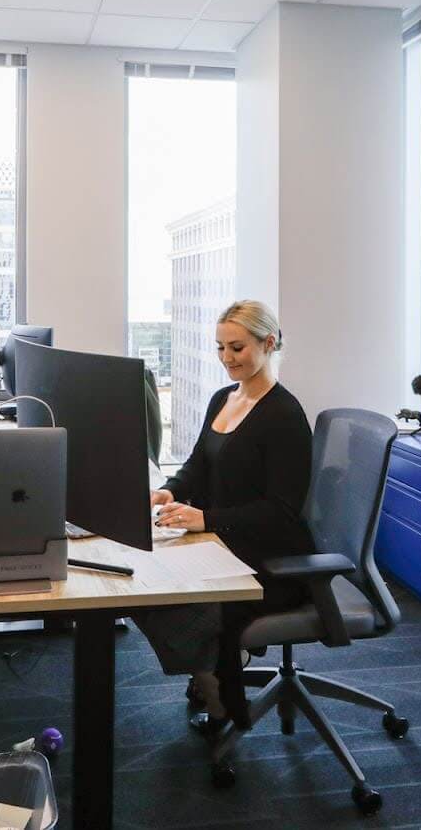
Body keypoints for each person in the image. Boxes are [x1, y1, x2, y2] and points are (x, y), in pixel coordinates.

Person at [139, 299, 315, 734]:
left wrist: (206, 520)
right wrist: (169, 491)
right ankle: (208, 668)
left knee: (174, 602)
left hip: (270, 559)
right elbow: (199, 464)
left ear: (268, 343)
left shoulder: (284, 416)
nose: (226, 359)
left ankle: (218, 690)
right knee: (143, 582)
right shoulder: (224, 398)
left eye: (237, 348)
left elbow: (281, 512)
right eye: (220, 348)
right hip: (225, 540)